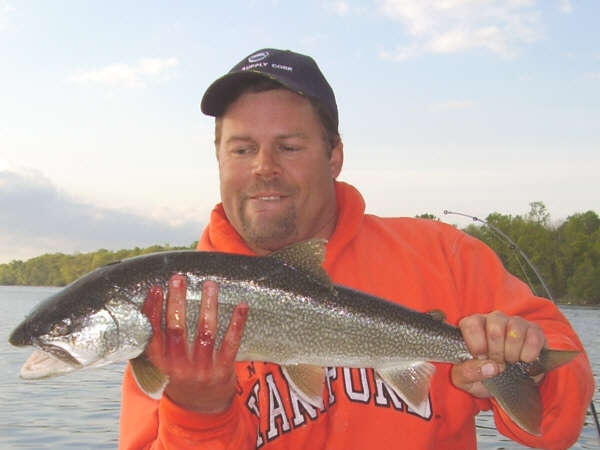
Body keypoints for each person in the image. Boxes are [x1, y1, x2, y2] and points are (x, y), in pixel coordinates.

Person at [119, 48, 594, 449]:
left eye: (289, 147)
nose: (264, 168)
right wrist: (198, 413)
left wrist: (527, 369)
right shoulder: (177, 304)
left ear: (335, 156)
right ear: (219, 158)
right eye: (242, 149)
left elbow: (557, 423)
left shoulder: (446, 256)